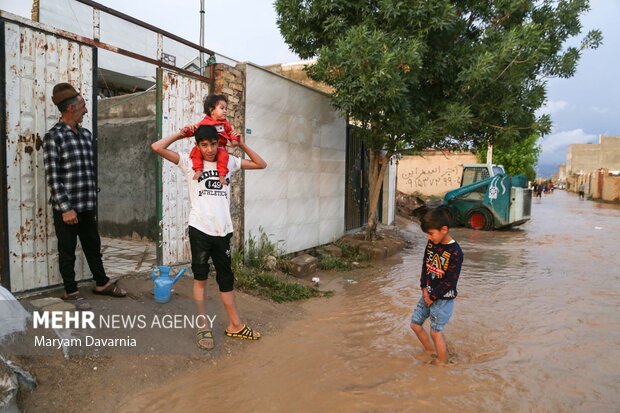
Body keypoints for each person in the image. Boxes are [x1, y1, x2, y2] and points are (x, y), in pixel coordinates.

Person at [151, 123, 267, 350]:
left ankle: (235, 325)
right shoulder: (188, 162)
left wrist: (240, 143)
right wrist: (180, 133)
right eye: (204, 145)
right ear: (198, 145)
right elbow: (156, 147)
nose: (210, 149)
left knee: (226, 279)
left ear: (218, 142)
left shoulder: (230, 161)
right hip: (200, 230)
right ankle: (203, 325)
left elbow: (261, 164)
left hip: (222, 231)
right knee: (200, 279)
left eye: (213, 144)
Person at [43, 83, 126, 311]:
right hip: (67, 207)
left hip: (87, 203)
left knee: (93, 245)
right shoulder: (53, 137)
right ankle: (71, 291)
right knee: (68, 250)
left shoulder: (86, 135)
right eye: (83, 106)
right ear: (70, 108)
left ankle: (101, 283)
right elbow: (53, 177)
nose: (86, 111)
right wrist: (65, 208)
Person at [410, 208, 463, 365]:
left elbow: (450, 282)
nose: (428, 237)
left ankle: (442, 363)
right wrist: (424, 289)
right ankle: (430, 351)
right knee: (415, 324)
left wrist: (432, 297)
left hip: (443, 299)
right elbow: (425, 266)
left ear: (444, 230)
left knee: (435, 332)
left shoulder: (455, 252)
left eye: (431, 233)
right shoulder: (432, 244)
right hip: (428, 294)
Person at [182, 94, 238, 186]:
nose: (225, 111)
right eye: (222, 108)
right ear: (212, 110)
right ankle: (199, 170)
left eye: (225, 109)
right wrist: (186, 130)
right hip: (205, 147)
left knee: (224, 156)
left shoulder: (225, 124)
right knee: (195, 152)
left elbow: (231, 133)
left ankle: (222, 175)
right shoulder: (204, 122)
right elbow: (194, 129)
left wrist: (234, 140)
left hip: (219, 147)